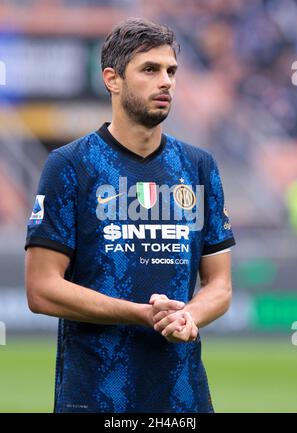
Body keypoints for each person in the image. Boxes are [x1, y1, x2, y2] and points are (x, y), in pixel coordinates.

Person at [25, 17, 235, 413]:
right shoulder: (70, 165)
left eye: (171, 71)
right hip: (94, 396)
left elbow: (220, 285)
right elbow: (41, 288)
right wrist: (140, 314)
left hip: (184, 399)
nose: (167, 82)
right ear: (112, 79)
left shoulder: (198, 165)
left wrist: (188, 317)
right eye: (150, 70)